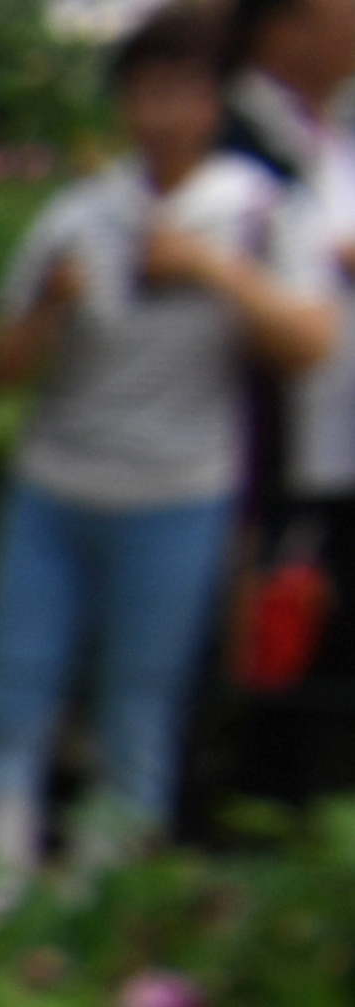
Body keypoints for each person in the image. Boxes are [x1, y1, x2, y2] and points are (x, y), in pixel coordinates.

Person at [0, 4, 338, 894]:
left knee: (139, 710)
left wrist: (210, 272)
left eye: (186, 92)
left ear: (214, 103)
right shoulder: (79, 214)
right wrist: (50, 308)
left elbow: (310, 343)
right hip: (55, 487)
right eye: (148, 91)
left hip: (179, 495)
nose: (165, 112)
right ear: (123, 103)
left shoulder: (257, 210)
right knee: (11, 697)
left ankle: (106, 906)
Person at [223, 0, 355, 806]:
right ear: (286, 25)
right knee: (271, 660)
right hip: (262, 453)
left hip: (331, 452)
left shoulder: (324, 137)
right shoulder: (237, 140)